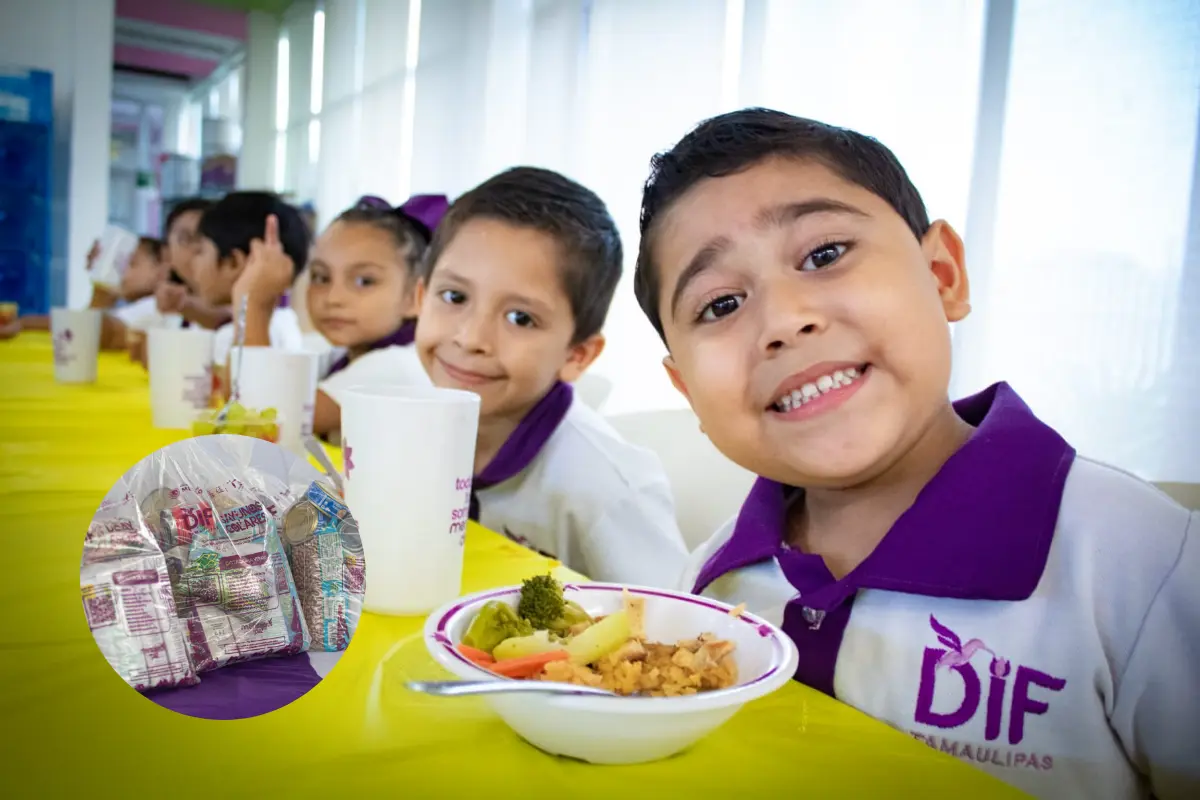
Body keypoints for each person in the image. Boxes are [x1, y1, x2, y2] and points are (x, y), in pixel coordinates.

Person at [633, 108, 1199, 799]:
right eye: (720, 305)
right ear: (687, 389)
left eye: (824, 254)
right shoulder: (712, 585)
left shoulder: (1142, 565)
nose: (784, 320)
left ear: (942, 275)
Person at [413, 166, 687, 587]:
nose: (470, 338)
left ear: (577, 355)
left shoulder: (605, 491)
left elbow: (674, 626)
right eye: (454, 297)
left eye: (520, 318)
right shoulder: (415, 424)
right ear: (420, 297)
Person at [308, 194, 448, 441]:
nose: (333, 298)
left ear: (415, 296)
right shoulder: (344, 354)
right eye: (321, 277)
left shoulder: (396, 365)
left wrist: (255, 303)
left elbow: (274, 418)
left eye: (364, 281)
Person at [190, 191, 307, 398]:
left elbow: (242, 408)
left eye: (200, 251)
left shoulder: (268, 331)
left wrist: (252, 302)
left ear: (233, 262)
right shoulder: (282, 322)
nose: (193, 263)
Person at [2, 236, 171, 349]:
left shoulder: (154, 307)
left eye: (132, 264)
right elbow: (80, 323)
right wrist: (23, 322)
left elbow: (88, 329)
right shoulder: (131, 305)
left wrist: (102, 285)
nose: (122, 272)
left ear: (161, 272)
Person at [154, 198, 232, 332]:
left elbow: (232, 317)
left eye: (205, 239)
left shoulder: (241, 299)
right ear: (166, 254)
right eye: (187, 239)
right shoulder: (156, 304)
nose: (197, 247)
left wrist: (184, 305)